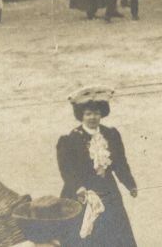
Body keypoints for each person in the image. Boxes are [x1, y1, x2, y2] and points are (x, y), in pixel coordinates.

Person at [56, 86, 138, 246]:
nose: (92, 117)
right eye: (88, 114)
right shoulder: (70, 139)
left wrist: (130, 184)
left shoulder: (111, 134)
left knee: (114, 230)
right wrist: (78, 187)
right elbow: (66, 169)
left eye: (96, 113)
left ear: (102, 114)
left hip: (108, 190)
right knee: (85, 233)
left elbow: (120, 163)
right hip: (82, 192)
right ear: (81, 115)